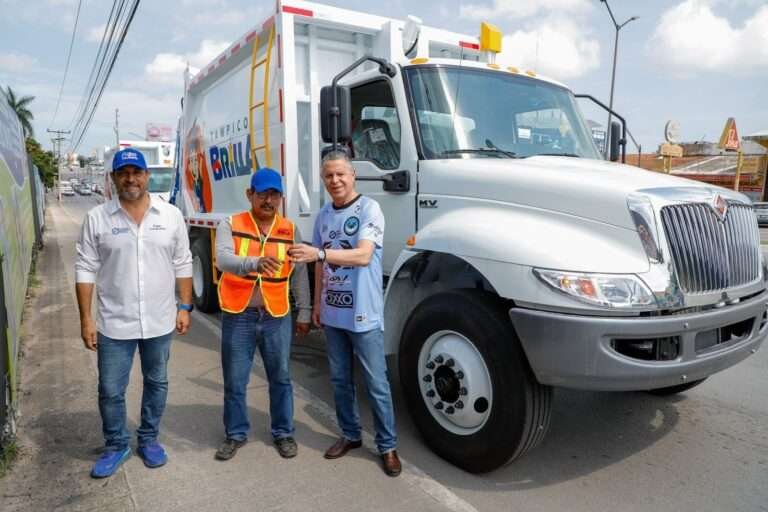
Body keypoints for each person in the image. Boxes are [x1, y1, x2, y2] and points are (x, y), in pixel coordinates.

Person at [75, 147, 193, 478]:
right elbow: (84, 268)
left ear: (147, 176)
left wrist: (185, 306)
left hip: (159, 320)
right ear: (113, 178)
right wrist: (86, 319)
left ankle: (149, 439)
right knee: (111, 389)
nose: (131, 178)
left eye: (137, 172)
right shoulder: (97, 218)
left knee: (157, 382)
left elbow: (183, 262)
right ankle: (116, 444)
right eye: (124, 173)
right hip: (114, 323)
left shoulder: (169, 216)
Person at [289, 151, 401, 477]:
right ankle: (350, 435)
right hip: (334, 316)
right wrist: (319, 306)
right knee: (340, 381)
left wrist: (320, 252)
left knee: (376, 383)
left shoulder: (369, 209)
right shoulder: (324, 215)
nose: (335, 181)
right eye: (328, 176)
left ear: (353, 175)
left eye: (340, 174)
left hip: (363, 314)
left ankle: (388, 446)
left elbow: (364, 255)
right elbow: (321, 264)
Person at [214, 168, 311, 461]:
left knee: (281, 378)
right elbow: (223, 259)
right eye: (263, 194)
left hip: (276, 314)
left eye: (275, 194)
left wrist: (304, 310)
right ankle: (235, 434)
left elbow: (299, 273)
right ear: (250, 195)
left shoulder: (290, 229)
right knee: (235, 380)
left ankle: (283, 433)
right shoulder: (230, 224)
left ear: (281, 197)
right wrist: (254, 263)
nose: (269, 200)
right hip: (239, 313)